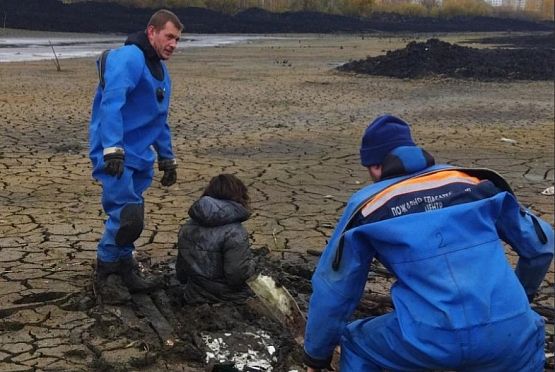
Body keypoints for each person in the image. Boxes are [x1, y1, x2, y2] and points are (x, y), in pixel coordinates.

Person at [303, 114, 554, 371]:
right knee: (525, 341)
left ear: (375, 166)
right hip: (512, 336)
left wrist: (316, 356)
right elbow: (541, 245)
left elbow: (335, 290)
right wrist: (520, 299)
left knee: (356, 342)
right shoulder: (475, 184)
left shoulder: (368, 206)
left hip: (430, 338)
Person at [88, 9, 183, 303]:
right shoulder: (129, 57)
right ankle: (106, 273)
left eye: (178, 39)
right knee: (126, 216)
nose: (174, 44)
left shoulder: (161, 71)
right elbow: (112, 104)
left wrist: (167, 158)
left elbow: (159, 119)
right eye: (169, 36)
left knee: (133, 217)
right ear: (151, 31)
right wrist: (112, 148)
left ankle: (125, 267)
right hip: (117, 154)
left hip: (139, 157)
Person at [175, 174, 257, 304]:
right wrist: (253, 266)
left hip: (194, 296)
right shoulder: (235, 232)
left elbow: (181, 274)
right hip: (230, 299)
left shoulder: (187, 227)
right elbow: (236, 276)